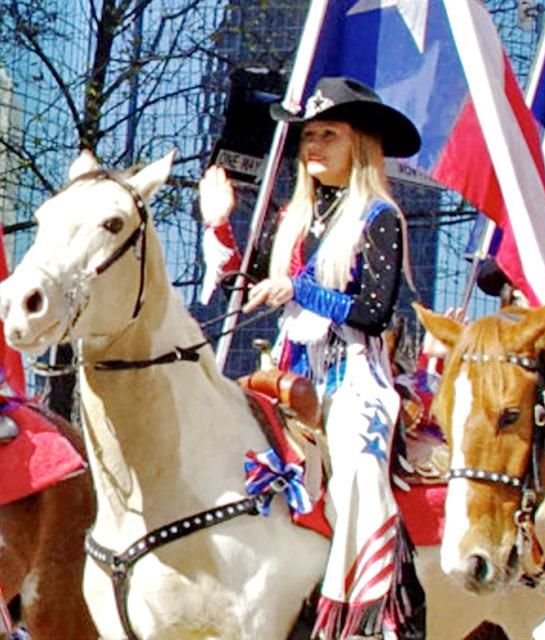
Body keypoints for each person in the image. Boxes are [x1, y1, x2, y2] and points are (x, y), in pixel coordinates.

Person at [199, 76, 424, 640]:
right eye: (308, 136)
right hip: (288, 370)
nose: (314, 146)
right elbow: (246, 283)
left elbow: (373, 311)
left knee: (358, 468)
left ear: (360, 145)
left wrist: (297, 288)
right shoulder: (295, 219)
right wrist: (219, 222)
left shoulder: (378, 216)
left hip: (355, 377)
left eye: (329, 134)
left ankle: (372, 614)